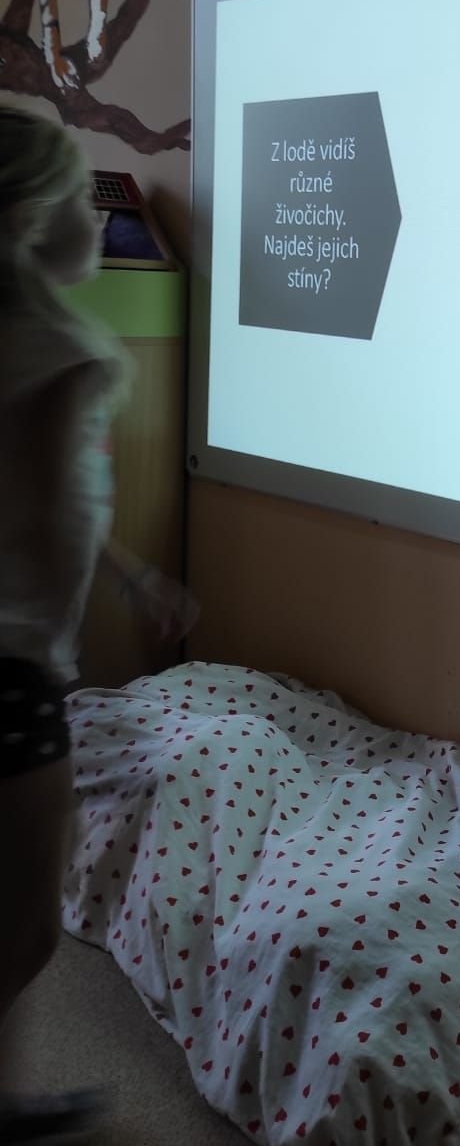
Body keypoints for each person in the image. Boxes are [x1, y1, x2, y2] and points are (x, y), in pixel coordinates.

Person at [0, 105, 196, 1142]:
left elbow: (55, 504)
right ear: (33, 222)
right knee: (26, 929)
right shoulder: (56, 349)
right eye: (79, 198)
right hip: (14, 674)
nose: (99, 216)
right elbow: (40, 516)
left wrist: (130, 577)